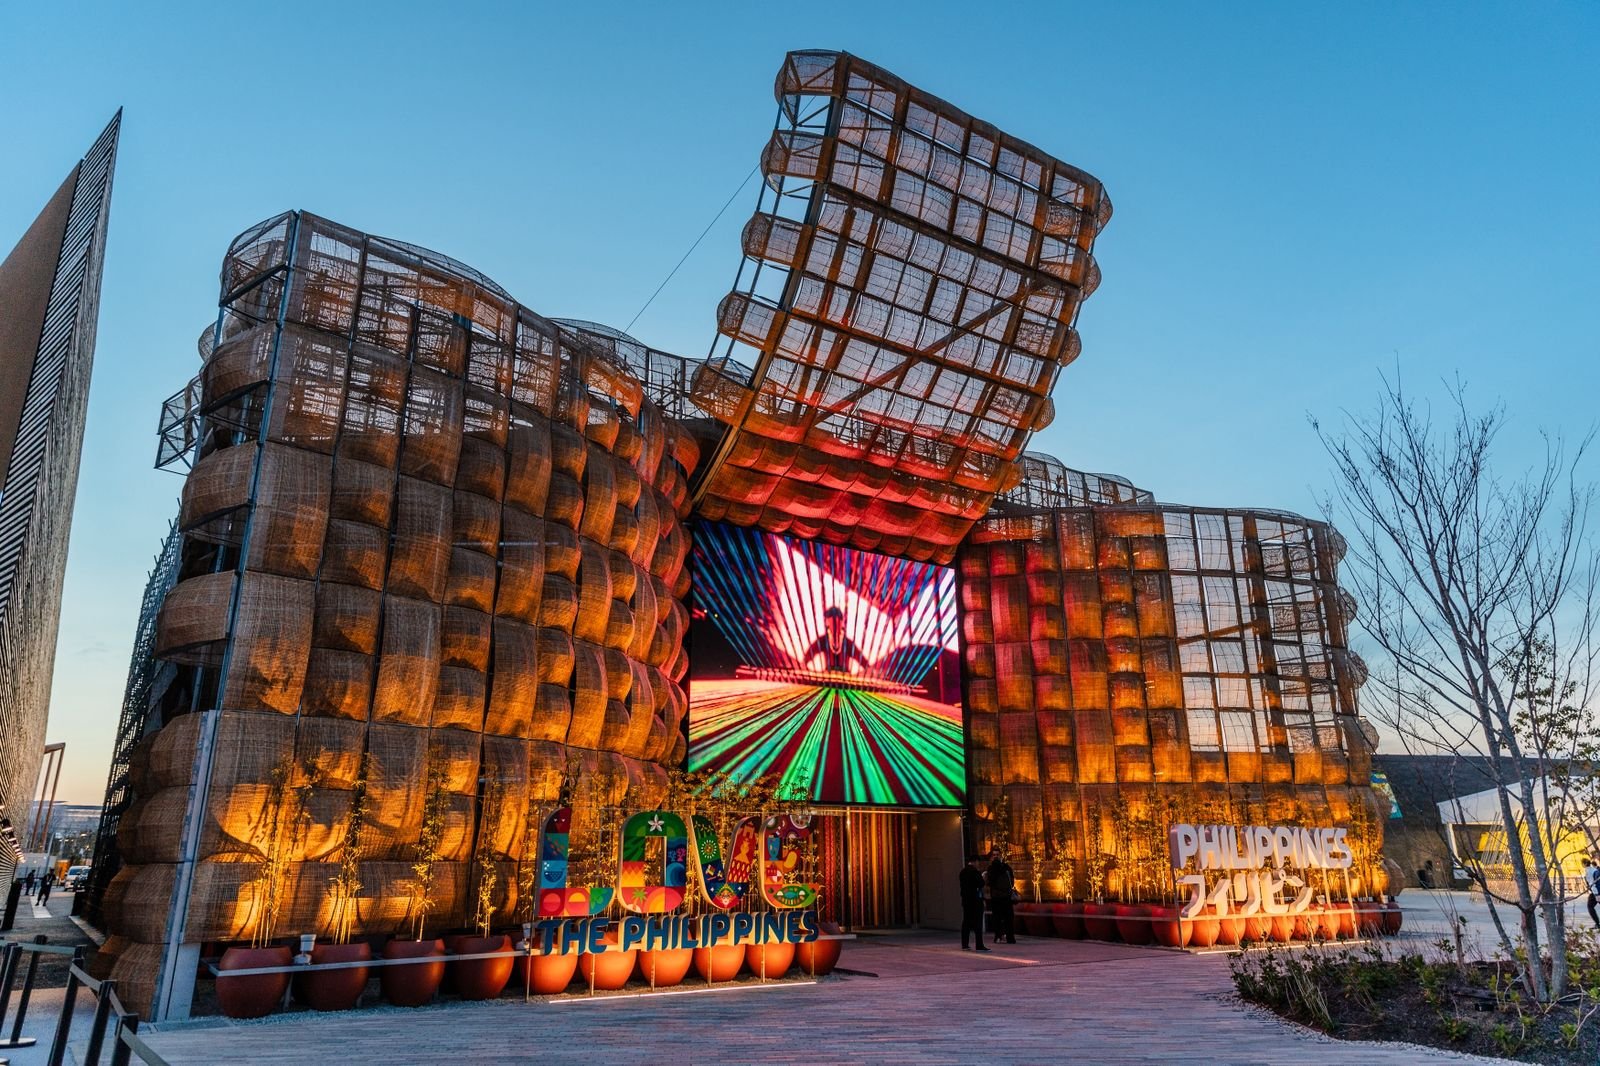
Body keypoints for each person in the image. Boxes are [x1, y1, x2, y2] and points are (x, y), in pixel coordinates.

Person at [804, 607, 869, 675]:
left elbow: (865, 664)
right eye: (831, 623)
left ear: (841, 623)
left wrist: (855, 676)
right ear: (827, 623)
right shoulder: (823, 641)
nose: (834, 626)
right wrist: (817, 675)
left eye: (836, 623)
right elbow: (806, 658)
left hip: (845, 677)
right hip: (828, 677)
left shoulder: (848, 643)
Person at [986, 848, 1017, 945]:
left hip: (999, 896)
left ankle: (1000, 936)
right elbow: (1011, 882)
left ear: (1000, 855)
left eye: (997, 854)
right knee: (1006, 918)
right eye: (994, 855)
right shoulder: (1005, 868)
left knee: (1000, 918)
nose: (995, 856)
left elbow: (989, 882)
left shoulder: (994, 868)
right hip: (1002, 896)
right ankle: (1008, 937)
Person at [959, 855, 989, 951]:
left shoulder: (963, 872)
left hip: (966, 900)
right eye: (978, 862)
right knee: (978, 923)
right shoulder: (975, 872)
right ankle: (979, 945)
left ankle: (965, 944)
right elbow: (981, 884)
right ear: (975, 861)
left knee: (966, 922)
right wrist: (983, 877)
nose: (978, 864)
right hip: (975, 901)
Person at [1583, 855, 1600, 930]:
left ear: (1584, 864)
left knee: (1590, 906)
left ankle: (1597, 924)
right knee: (1590, 906)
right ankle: (1597, 924)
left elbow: (1593, 883)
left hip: (1596, 892)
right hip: (1596, 891)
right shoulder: (1594, 869)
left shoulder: (1589, 871)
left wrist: (1596, 894)